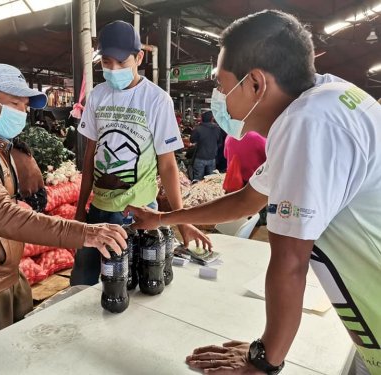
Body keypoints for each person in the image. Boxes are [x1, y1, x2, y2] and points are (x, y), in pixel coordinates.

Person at [127, 10, 381, 375]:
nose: (218, 96)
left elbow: (290, 263)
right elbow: (249, 198)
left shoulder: (308, 123)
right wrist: (165, 218)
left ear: (256, 84)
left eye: (221, 84)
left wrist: (263, 360)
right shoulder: (325, 99)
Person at [0, 63, 127, 349]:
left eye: (25, 105)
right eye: (14, 103)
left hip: (4, 274)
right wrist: (85, 232)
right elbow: (1, 215)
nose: (23, 112)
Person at [71, 20, 210, 286]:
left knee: (130, 286)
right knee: (84, 284)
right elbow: (89, 157)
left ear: (139, 58)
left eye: (122, 63)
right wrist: (80, 210)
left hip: (137, 215)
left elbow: (167, 165)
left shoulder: (156, 100)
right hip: (98, 212)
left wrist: (181, 220)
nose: (113, 69)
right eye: (107, 62)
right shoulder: (98, 96)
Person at [189, 111, 222, 180]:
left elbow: (192, 140)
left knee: (197, 180)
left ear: (202, 119)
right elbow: (220, 143)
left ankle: (196, 190)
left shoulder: (198, 129)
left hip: (200, 158)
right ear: (211, 119)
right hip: (212, 158)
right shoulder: (217, 129)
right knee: (211, 180)